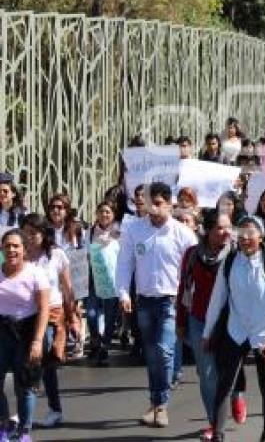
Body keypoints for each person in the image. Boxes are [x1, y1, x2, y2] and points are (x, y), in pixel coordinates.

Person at [116, 182, 198, 428]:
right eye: (151, 203)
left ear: (170, 204)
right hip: (144, 300)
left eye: (159, 203)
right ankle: (155, 401)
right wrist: (123, 293)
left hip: (170, 301)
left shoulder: (183, 234)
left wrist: (190, 298)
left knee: (164, 351)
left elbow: (194, 269)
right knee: (151, 355)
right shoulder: (134, 230)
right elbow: (124, 262)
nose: (154, 208)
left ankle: (161, 404)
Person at [203, 217, 265, 442]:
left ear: (261, 237)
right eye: (242, 233)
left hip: (264, 332)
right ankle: (218, 433)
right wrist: (207, 332)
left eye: (251, 233)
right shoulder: (230, 263)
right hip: (236, 329)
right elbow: (217, 298)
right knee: (224, 384)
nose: (246, 238)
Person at [177, 213, 248, 441]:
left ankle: (237, 393)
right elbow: (184, 290)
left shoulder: (238, 255)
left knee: (230, 368)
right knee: (207, 374)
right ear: (207, 231)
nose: (226, 232)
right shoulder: (191, 255)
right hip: (199, 320)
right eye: (220, 228)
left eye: (229, 228)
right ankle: (214, 423)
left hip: (231, 320)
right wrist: (181, 321)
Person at [20, 214, 78, 429]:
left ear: (44, 234)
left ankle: (54, 409)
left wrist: (72, 317)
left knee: (43, 360)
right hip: (25, 313)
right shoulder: (20, 256)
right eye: (26, 232)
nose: (30, 237)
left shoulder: (56, 255)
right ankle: (25, 407)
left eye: (34, 232)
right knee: (23, 361)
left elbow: (67, 288)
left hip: (52, 312)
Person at [0, 229, 50, 442]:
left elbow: (44, 309)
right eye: (7, 245)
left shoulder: (35, 273)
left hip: (27, 331)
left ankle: (24, 431)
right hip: (2, 331)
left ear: (24, 249)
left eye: (16, 246)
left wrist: (38, 341)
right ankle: (3, 426)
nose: (11, 249)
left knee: (25, 385)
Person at [86, 201, 121, 366]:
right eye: (101, 211)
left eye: (108, 212)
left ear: (113, 215)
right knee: (92, 314)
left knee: (109, 315)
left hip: (112, 280)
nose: (104, 215)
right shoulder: (90, 231)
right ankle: (95, 340)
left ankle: (104, 345)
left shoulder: (119, 232)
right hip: (94, 279)